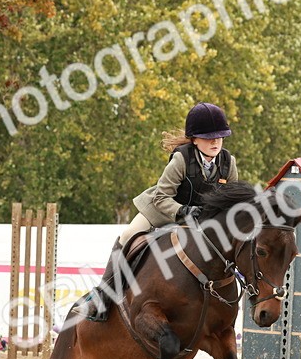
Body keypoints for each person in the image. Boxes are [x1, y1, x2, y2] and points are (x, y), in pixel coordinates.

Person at [85, 102, 239, 321]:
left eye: (219, 137)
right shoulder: (181, 159)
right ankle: (103, 294)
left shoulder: (228, 163)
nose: (215, 142)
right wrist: (183, 210)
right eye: (208, 137)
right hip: (163, 210)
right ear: (195, 139)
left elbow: (230, 201)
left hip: (200, 221)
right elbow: (161, 197)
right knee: (128, 235)